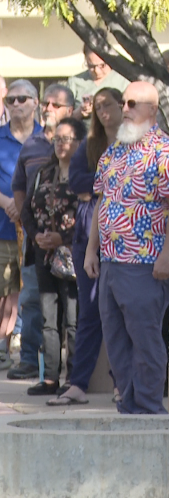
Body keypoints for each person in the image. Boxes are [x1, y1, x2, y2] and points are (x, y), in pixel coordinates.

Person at [84, 81, 169, 415]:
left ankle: (148, 409)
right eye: (123, 102)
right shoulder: (114, 150)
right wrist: (92, 250)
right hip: (111, 263)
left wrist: (166, 255)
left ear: (153, 110)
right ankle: (128, 406)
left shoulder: (168, 152)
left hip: (146, 263)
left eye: (133, 103)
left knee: (145, 341)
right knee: (116, 341)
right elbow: (102, 204)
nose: (126, 109)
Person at [53, 87, 123, 406]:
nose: (103, 111)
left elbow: (99, 185)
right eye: (97, 106)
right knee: (89, 309)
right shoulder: (90, 144)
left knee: (121, 310)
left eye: (108, 104)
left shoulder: (134, 141)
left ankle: (123, 383)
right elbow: (78, 182)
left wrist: (100, 186)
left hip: (124, 232)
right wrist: (107, 182)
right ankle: (78, 383)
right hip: (87, 231)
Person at [8, 83, 74, 381]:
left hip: (73, 242)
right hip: (36, 240)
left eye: (55, 105)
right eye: (46, 104)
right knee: (34, 299)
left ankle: (74, 373)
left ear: (70, 111)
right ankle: (32, 364)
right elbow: (19, 186)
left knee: (72, 310)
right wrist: (30, 227)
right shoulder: (32, 145)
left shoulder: (81, 143)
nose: (48, 109)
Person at [22, 118, 83, 396]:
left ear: (79, 142)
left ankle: (74, 377)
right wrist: (36, 236)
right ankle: (50, 378)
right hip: (44, 255)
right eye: (57, 139)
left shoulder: (85, 173)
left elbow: (90, 215)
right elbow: (26, 211)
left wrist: (64, 239)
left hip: (74, 256)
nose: (61, 144)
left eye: (67, 139)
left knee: (72, 319)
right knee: (49, 318)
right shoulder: (42, 174)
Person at [0, 80, 42, 373]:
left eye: (22, 99)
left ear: (35, 102)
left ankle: (29, 354)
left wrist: (23, 204)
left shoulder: (47, 138)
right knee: (4, 290)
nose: (16, 104)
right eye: (11, 100)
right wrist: (7, 202)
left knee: (30, 293)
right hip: (2, 226)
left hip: (37, 230)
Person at [68, 42, 130, 123]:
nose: (97, 71)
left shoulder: (123, 80)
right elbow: (64, 119)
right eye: (91, 66)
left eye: (102, 65)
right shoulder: (75, 81)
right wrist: (80, 112)